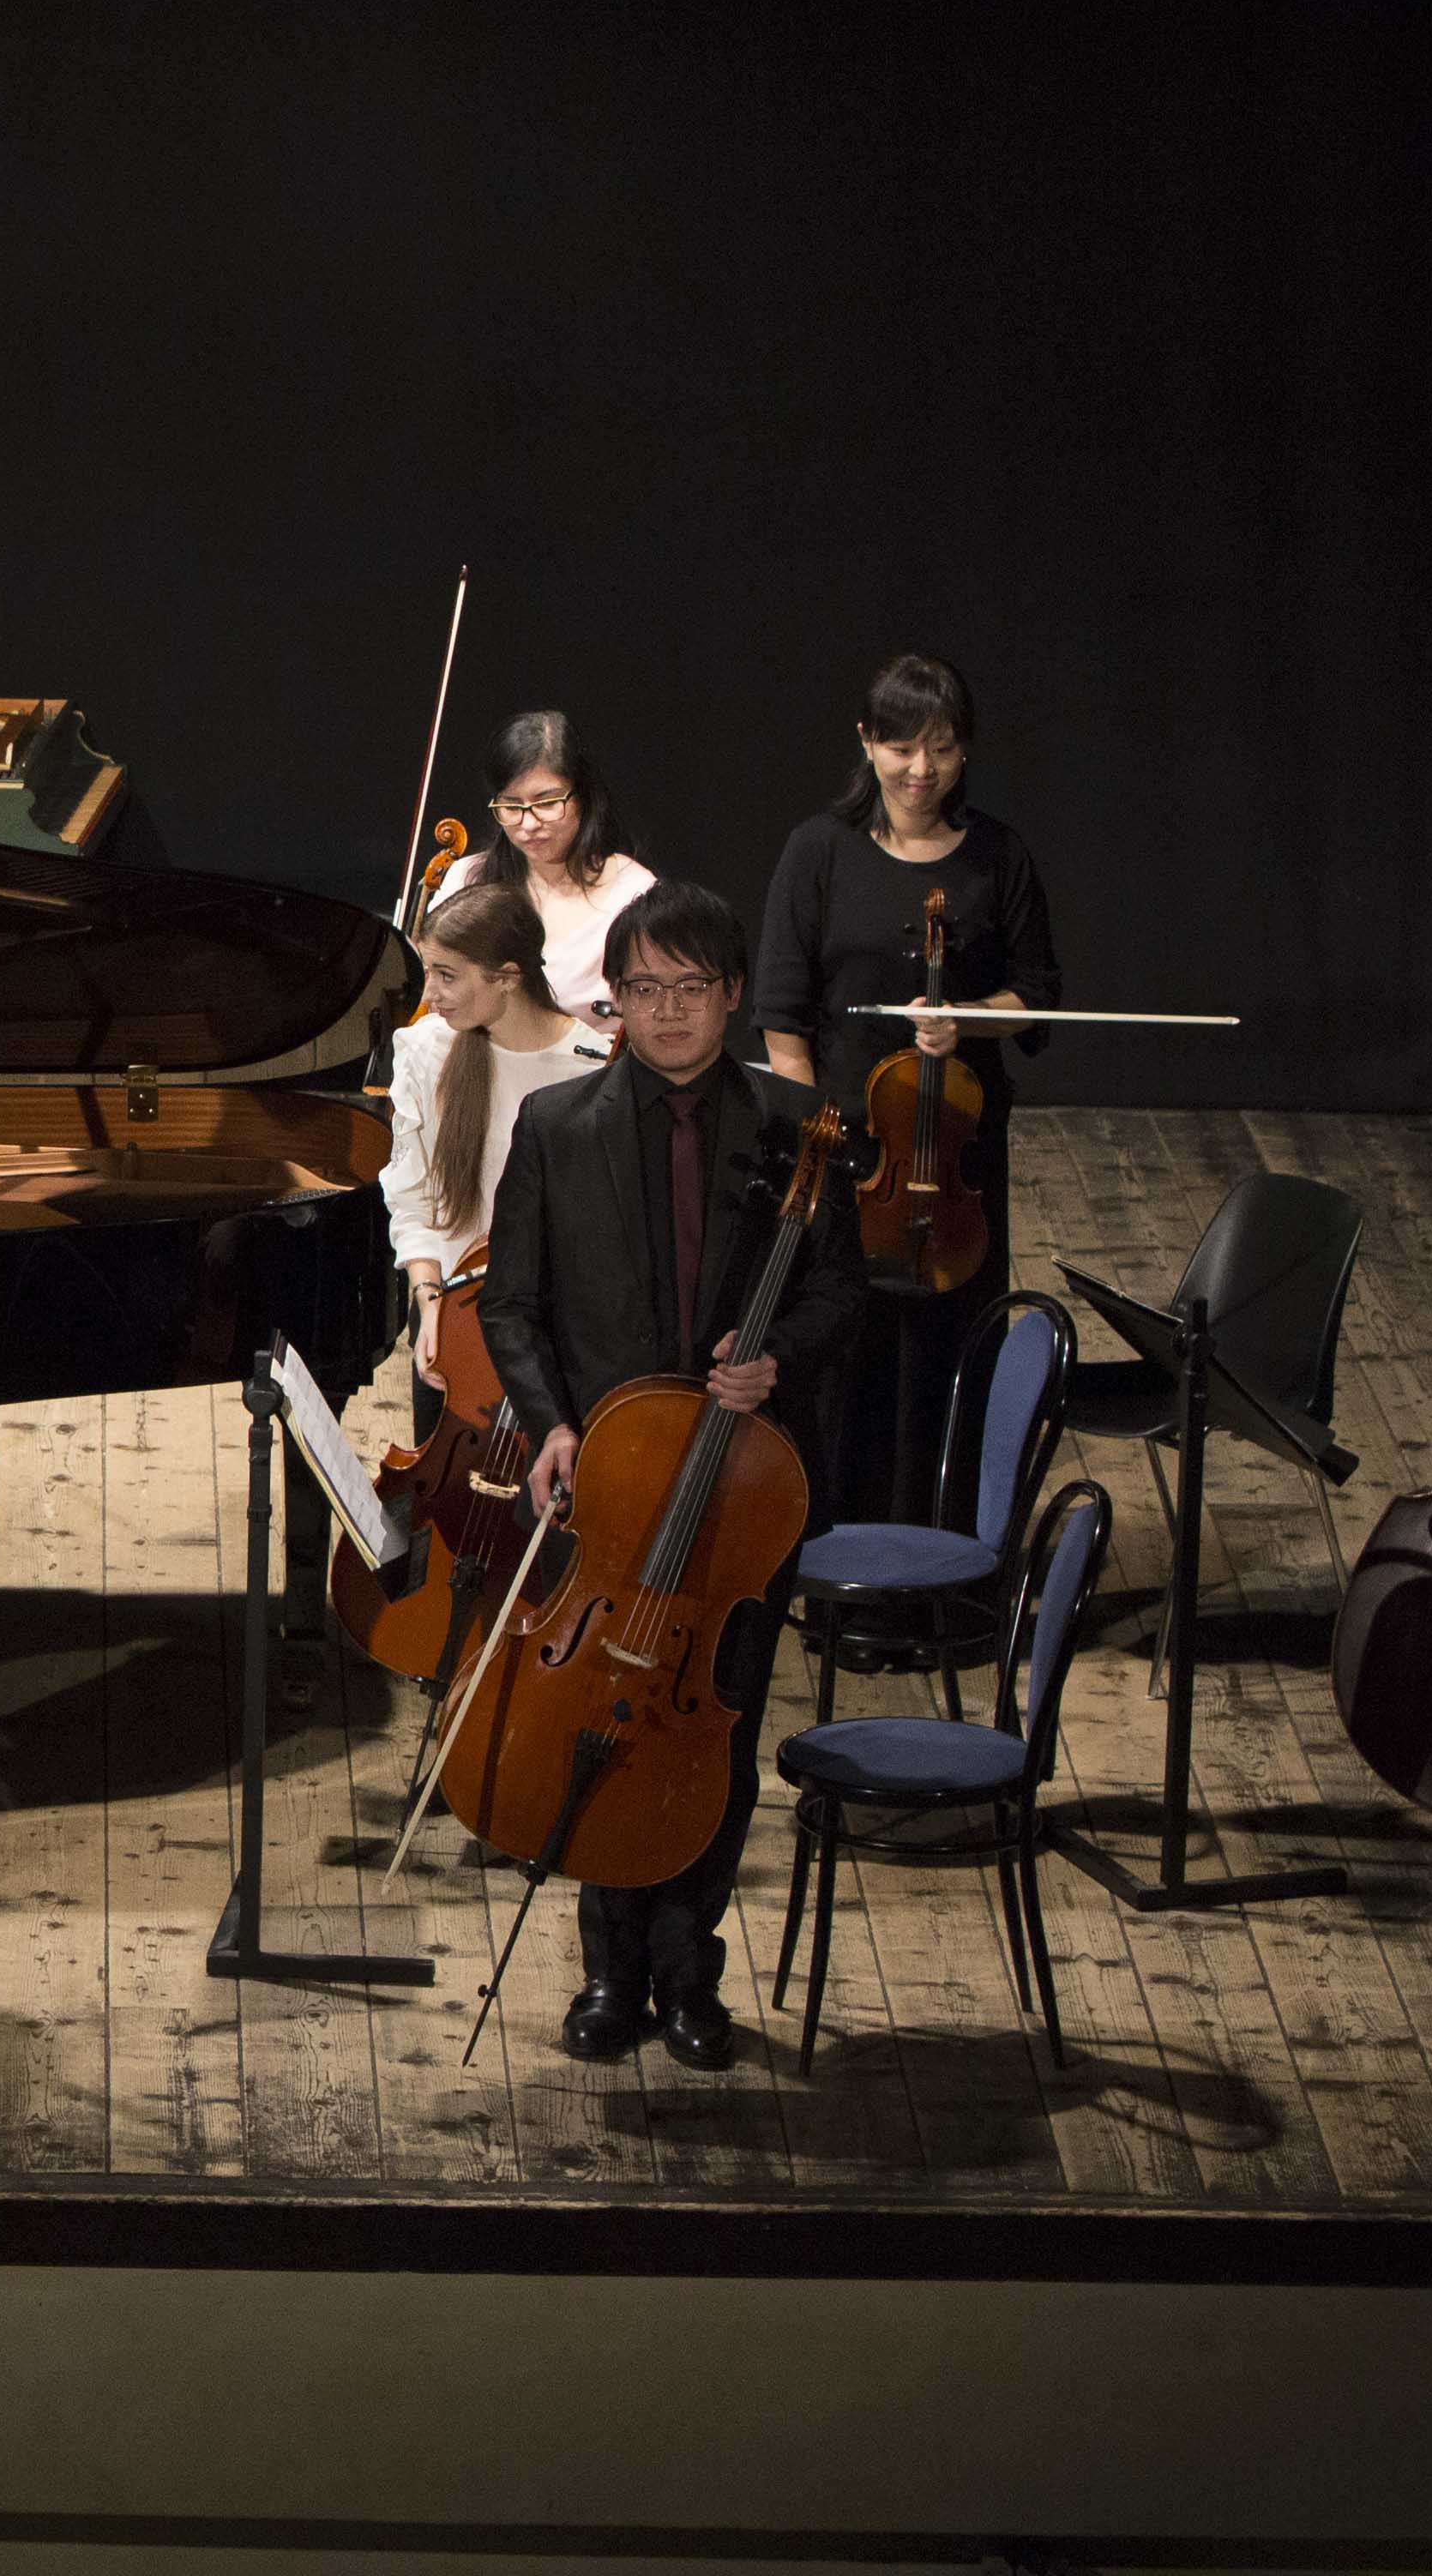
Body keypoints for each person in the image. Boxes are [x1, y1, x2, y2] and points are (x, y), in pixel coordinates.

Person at [476, 880, 863, 2070]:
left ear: (733, 995)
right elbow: (512, 1306)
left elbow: (842, 1292)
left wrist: (777, 1358)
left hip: (745, 1490)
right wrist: (550, 1426)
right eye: (645, 989)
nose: (669, 1011)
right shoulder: (558, 1126)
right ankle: (610, 1972)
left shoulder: (797, 1127)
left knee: (713, 1735)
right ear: (615, 999)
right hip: (611, 1478)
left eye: (692, 988)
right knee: (598, 1713)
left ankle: (692, 1975)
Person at [754, 654, 1060, 1531]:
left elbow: (1037, 999)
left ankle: (949, 1559)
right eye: (902, 748)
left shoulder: (999, 856)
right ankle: (835, 1553)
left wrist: (970, 1019)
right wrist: (813, 1142)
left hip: (958, 1151)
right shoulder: (819, 851)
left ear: (966, 752)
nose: (922, 770)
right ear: (867, 741)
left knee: (953, 1346)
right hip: (848, 1147)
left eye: (944, 749)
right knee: (843, 1349)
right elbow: (782, 1016)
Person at [384, 881, 611, 1426]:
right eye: (428, 972)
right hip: (449, 1315)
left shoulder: (594, 1067)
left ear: (507, 977)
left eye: (446, 975)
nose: (429, 995)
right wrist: (431, 1307)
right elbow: (414, 1200)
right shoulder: (426, 1050)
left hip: (557, 1336)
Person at [447, 710, 659, 1035]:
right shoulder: (466, 879)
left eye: (546, 803)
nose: (529, 824)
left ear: (583, 797)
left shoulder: (634, 895)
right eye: (511, 806)